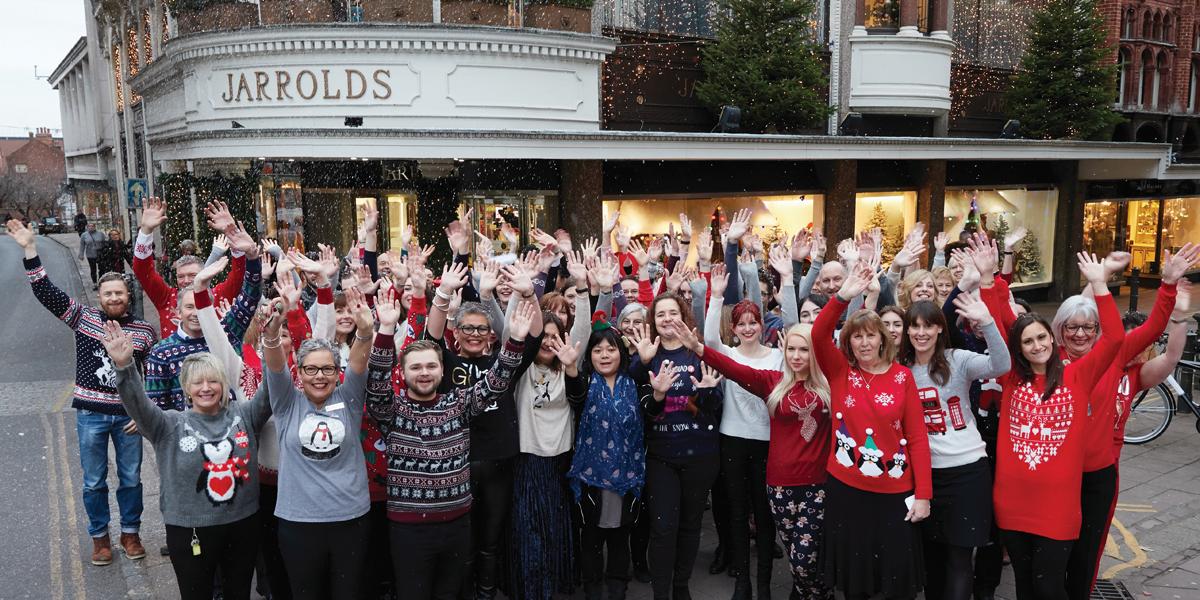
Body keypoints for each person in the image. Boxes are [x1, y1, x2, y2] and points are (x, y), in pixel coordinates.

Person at [366, 288, 535, 600]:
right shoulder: (392, 410)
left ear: (442, 370)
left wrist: (515, 341)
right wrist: (386, 329)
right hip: (409, 530)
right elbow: (376, 384)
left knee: (449, 594)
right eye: (415, 367)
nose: (424, 373)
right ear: (402, 373)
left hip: (457, 526)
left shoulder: (458, 403)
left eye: (431, 366)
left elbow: (496, 382)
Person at [6, 220, 158, 565]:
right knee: (93, 481)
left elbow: (153, 377)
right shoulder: (84, 318)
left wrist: (145, 413)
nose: (114, 298)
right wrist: (30, 249)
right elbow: (45, 292)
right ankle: (100, 538)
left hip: (129, 418)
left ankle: (130, 534)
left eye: (119, 293)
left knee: (131, 478)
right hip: (91, 414)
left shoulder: (144, 331)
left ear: (128, 296)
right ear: (99, 297)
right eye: (108, 294)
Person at [983, 251, 1128, 600]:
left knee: (1048, 587)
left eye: (1042, 337)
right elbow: (998, 326)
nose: (1037, 346)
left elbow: (1114, 338)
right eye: (1027, 341)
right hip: (1012, 501)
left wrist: (1099, 284)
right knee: (1024, 584)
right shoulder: (1009, 377)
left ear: (1053, 338)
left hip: (1058, 507)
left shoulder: (1078, 376)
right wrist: (988, 280)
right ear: (1019, 349)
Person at [1063, 244, 1199, 600]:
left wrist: (1172, 295)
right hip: (1059, 466)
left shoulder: (1122, 364)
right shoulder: (1061, 356)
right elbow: (1076, 315)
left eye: (1089, 329)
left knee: (1088, 546)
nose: (1081, 334)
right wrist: (1101, 275)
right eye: (1074, 329)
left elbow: (1164, 348)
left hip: (1100, 468)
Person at [104, 322, 271, 600]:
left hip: (243, 526)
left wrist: (273, 343)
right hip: (189, 532)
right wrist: (124, 366)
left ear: (224, 385)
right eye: (198, 382)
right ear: (186, 388)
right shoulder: (169, 424)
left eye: (213, 381)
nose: (206, 388)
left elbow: (272, 388)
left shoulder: (245, 415)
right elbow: (137, 405)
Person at [679, 321, 835, 600]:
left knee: (805, 558)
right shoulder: (773, 382)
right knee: (795, 557)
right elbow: (733, 369)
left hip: (817, 486)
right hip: (780, 486)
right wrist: (699, 348)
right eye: (791, 349)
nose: (796, 356)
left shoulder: (830, 385)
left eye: (804, 350)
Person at [811, 259, 932, 600]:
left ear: (883, 339)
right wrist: (843, 296)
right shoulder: (840, 372)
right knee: (855, 581)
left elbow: (918, 438)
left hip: (895, 491)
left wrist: (923, 495)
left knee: (896, 583)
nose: (864, 343)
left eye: (870, 335)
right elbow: (818, 334)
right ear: (848, 343)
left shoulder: (902, 377)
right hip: (846, 489)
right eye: (856, 337)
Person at [261, 283, 375, 600]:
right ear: (299, 372)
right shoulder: (286, 401)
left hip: (351, 520)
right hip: (298, 522)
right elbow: (274, 365)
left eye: (327, 369)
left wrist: (366, 330)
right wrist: (272, 332)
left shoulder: (349, 398)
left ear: (338, 372)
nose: (319, 376)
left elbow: (360, 361)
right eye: (311, 369)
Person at [899, 297, 1010, 600]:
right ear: (907, 331)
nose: (921, 332)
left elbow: (1001, 365)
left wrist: (987, 322)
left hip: (968, 473)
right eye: (915, 326)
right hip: (925, 477)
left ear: (940, 328)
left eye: (928, 325)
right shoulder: (900, 370)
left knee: (959, 557)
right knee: (932, 558)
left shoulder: (957, 359)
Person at [504, 254, 594, 600]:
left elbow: (582, 330)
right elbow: (514, 330)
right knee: (528, 529)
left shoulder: (568, 364)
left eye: (555, 336)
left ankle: (554, 584)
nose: (547, 341)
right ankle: (530, 588)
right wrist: (524, 292)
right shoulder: (521, 368)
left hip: (560, 460)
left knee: (557, 528)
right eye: (543, 335)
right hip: (527, 459)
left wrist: (582, 289)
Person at [628, 290, 725, 600]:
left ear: (684, 317)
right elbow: (640, 397)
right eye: (661, 314)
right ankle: (661, 592)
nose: (667, 319)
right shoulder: (647, 353)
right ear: (653, 321)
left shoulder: (698, 351)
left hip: (701, 455)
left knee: (690, 525)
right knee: (663, 527)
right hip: (661, 457)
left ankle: (681, 586)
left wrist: (707, 392)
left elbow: (714, 403)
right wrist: (643, 362)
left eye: (673, 313)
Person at [704, 264, 784, 600]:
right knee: (737, 512)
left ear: (762, 325)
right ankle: (743, 583)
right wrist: (716, 297)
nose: (748, 328)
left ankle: (763, 583)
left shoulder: (779, 357)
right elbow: (709, 339)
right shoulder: (727, 354)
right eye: (742, 324)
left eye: (754, 322)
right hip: (733, 441)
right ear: (734, 328)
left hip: (768, 443)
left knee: (764, 513)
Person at [145, 223, 262, 411]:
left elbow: (251, 295)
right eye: (189, 307)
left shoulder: (228, 333)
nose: (195, 313)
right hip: (187, 428)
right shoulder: (161, 352)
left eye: (201, 306)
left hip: (232, 424)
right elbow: (157, 410)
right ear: (178, 312)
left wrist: (251, 256)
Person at [133, 197, 247, 337]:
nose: (186, 281)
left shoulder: (219, 296)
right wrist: (145, 231)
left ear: (205, 274)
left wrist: (231, 232)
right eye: (181, 276)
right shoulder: (167, 299)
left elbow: (241, 274)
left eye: (193, 275)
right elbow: (142, 270)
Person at [79, 222, 107, 290]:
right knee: (93, 269)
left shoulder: (100, 234)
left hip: (100, 254)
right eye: (90, 226)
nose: (91, 227)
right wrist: (81, 255)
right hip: (90, 254)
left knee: (102, 269)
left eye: (92, 226)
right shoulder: (84, 235)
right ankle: (95, 283)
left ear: (95, 227)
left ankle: (100, 281)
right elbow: (82, 246)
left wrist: (106, 252)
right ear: (87, 227)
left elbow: (105, 243)